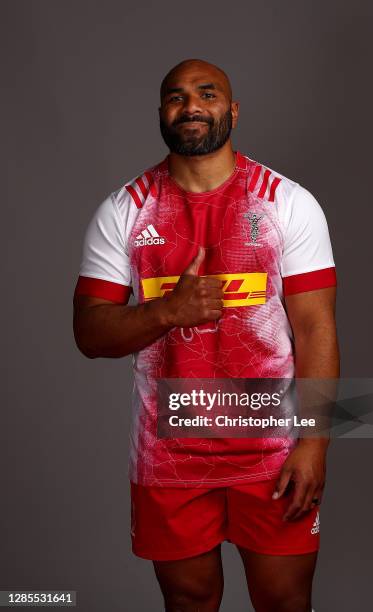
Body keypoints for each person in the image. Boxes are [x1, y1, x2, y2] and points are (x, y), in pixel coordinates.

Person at [73, 58, 339, 612]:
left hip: (272, 448)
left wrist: (314, 445)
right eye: (176, 97)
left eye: (207, 93)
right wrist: (166, 311)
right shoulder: (124, 210)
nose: (191, 105)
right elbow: (89, 332)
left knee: (284, 601)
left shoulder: (287, 202)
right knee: (189, 601)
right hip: (169, 454)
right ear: (162, 114)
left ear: (232, 110)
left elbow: (316, 328)